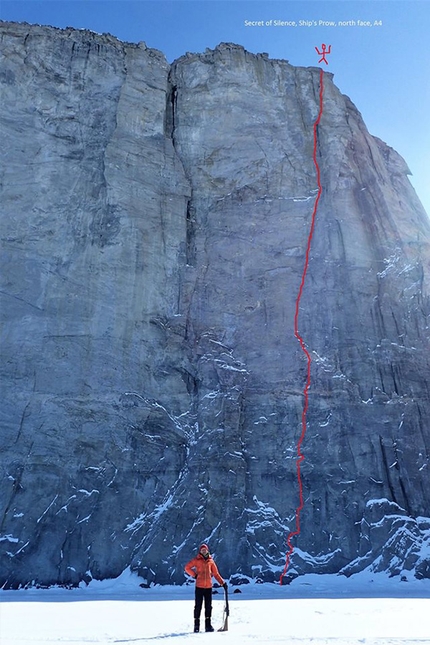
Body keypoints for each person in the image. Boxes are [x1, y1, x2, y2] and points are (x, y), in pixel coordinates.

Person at [184, 543, 227, 633]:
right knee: (198, 606)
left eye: (205, 549)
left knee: (208, 607)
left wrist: (222, 583)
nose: (204, 551)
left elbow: (216, 574)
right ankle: (196, 626)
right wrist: (195, 575)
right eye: (202, 549)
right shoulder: (196, 560)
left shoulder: (211, 561)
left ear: (207, 550)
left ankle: (208, 626)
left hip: (208, 587)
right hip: (199, 587)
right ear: (200, 551)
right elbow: (187, 568)